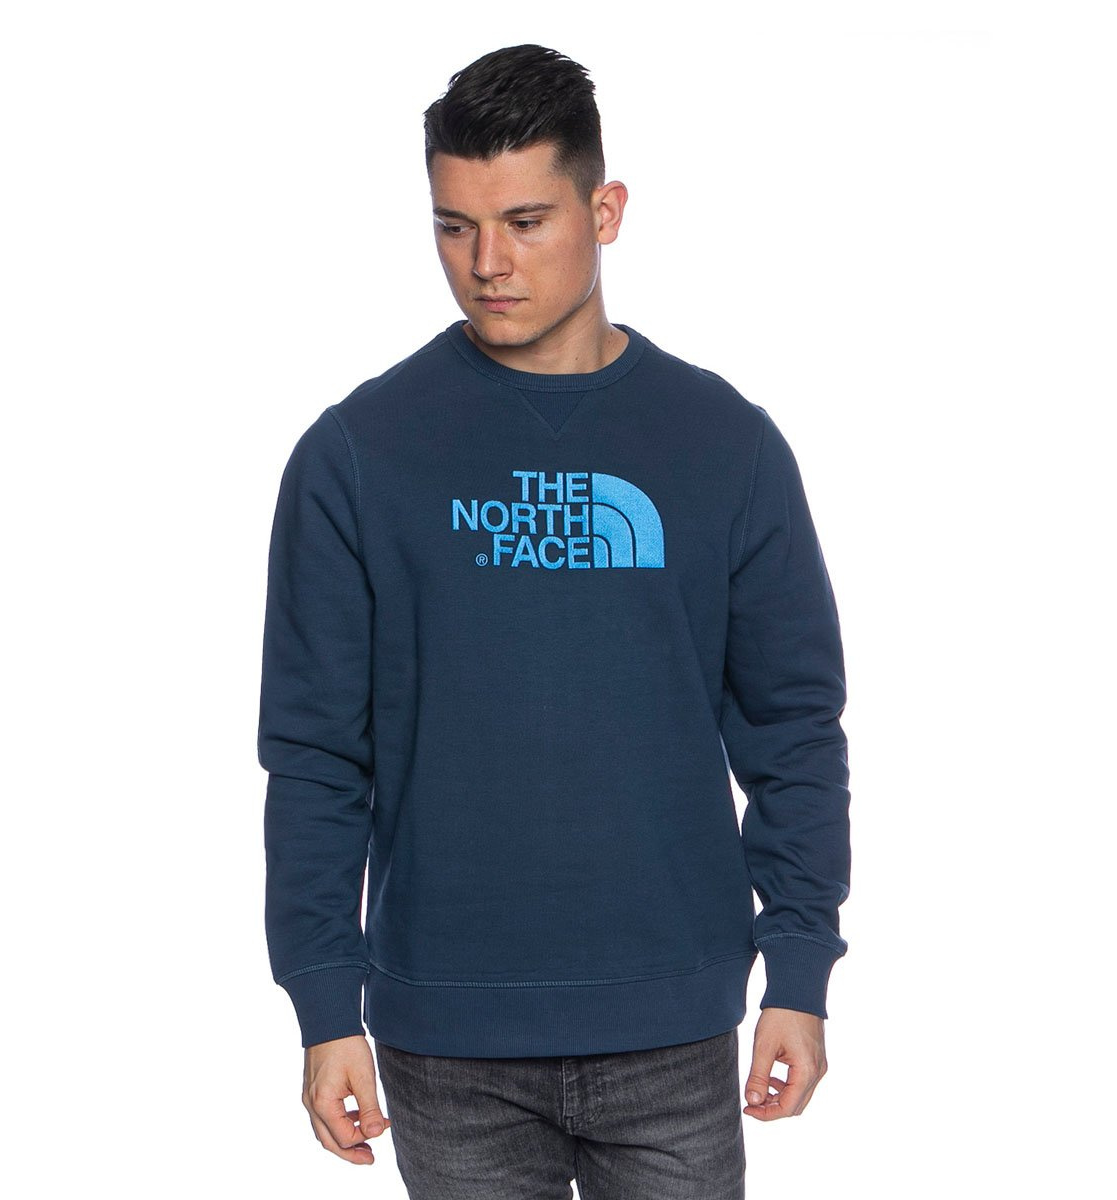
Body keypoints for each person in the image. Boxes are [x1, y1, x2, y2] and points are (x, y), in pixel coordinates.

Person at [257, 42, 852, 1200]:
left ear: (605, 211)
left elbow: (793, 727)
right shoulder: (359, 455)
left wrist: (798, 968)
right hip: (446, 1042)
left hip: (674, 1026)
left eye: (526, 222)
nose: (488, 264)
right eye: (455, 227)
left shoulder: (722, 445)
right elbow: (317, 755)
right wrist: (326, 1007)